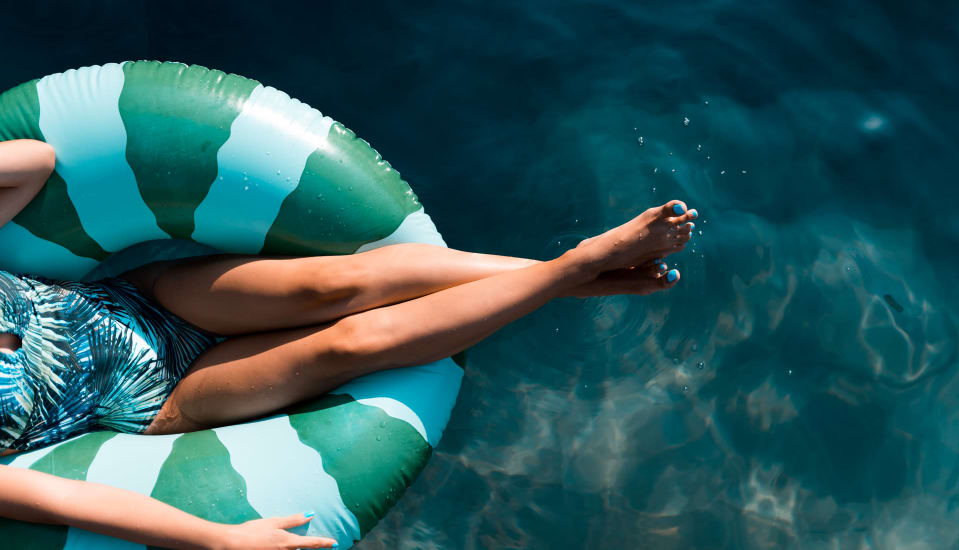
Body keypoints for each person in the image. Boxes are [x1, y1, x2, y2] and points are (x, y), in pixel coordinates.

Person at [0, 138, 696, 550]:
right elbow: (57, 502)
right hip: (160, 400)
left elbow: (36, 160)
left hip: (139, 300)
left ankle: (568, 279)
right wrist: (218, 539)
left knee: (334, 286)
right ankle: (576, 268)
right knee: (348, 345)